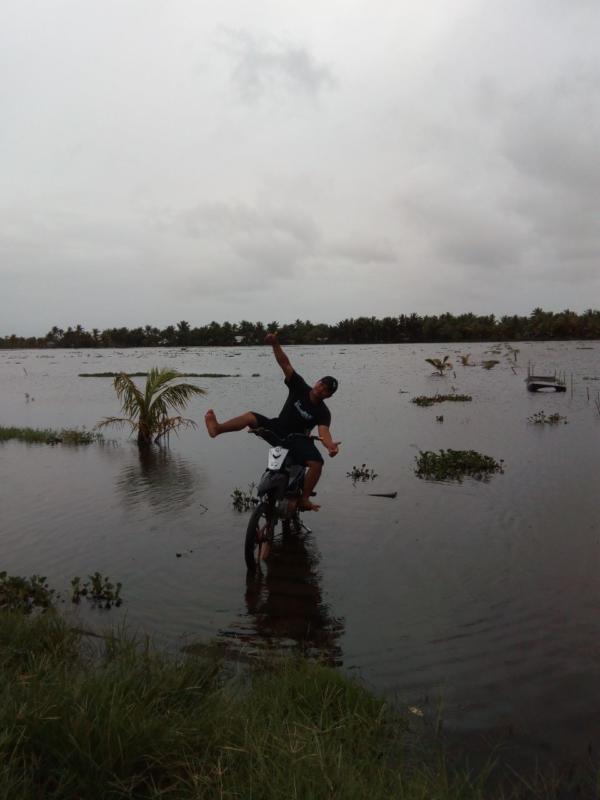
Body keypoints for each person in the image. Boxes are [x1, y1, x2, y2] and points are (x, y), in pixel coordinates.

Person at [204, 331, 340, 511]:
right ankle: (217, 429)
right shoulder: (299, 386)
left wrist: (330, 446)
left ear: (328, 396)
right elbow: (285, 364)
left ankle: (304, 498)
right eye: (321, 384)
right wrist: (275, 343)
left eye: (326, 390)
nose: (321, 389)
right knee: (250, 416)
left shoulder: (323, 412)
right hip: (278, 428)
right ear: (317, 382)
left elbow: (324, 432)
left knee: (317, 464)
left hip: (299, 440)